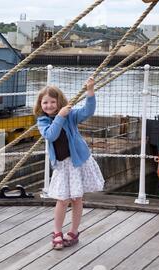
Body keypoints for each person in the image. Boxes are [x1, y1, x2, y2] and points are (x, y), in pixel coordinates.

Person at [34, 78, 104, 250]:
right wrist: (59, 116)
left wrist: (90, 91)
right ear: (40, 104)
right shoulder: (43, 121)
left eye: (52, 101)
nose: (49, 105)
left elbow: (88, 111)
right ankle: (57, 231)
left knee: (77, 198)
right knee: (62, 199)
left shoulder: (71, 115)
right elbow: (51, 136)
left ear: (59, 101)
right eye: (45, 102)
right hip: (62, 165)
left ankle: (73, 231)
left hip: (78, 161)